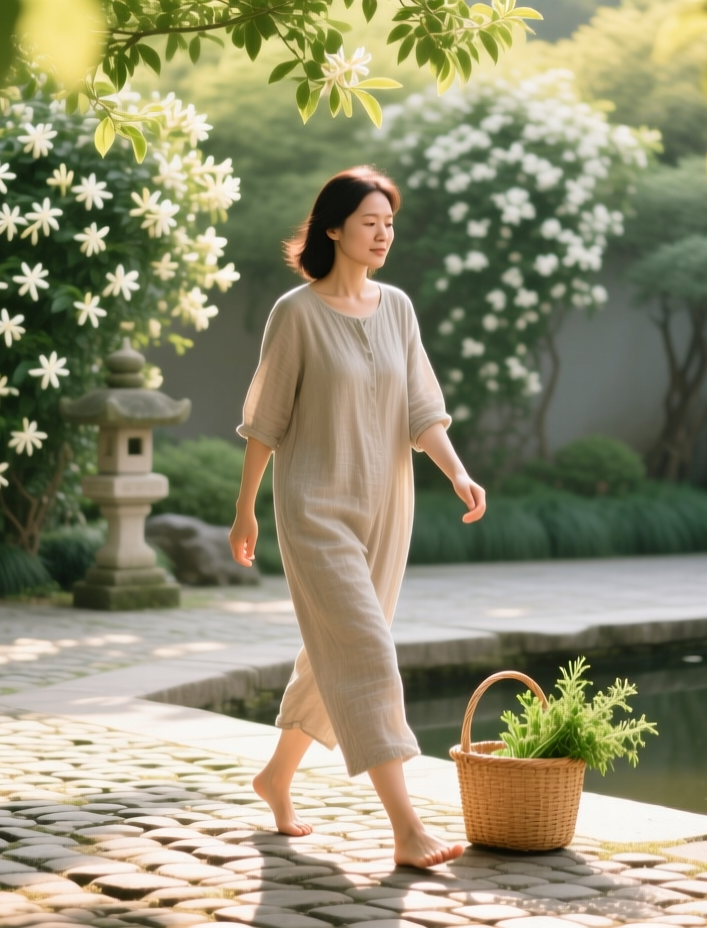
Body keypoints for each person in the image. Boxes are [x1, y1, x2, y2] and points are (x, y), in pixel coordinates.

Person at [228, 166, 486, 869]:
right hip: (313, 507)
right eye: (370, 222)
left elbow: (422, 410)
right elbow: (265, 423)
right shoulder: (296, 313)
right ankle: (406, 827)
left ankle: (275, 778)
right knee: (368, 651)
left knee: (332, 652)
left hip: (386, 508)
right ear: (334, 229)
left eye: (390, 224)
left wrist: (457, 470)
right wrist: (245, 511)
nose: (383, 235)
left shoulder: (398, 307)